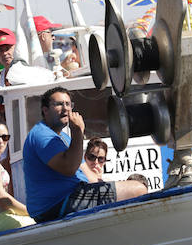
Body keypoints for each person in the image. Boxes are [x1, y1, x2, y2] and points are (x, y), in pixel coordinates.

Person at [23, 87, 147, 222]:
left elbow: (86, 173)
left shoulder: (63, 137)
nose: (65, 109)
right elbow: (69, 169)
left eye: (68, 104)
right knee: (138, 190)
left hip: (69, 197)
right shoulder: (42, 135)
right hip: (58, 204)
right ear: (45, 110)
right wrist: (78, 131)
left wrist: (107, 183)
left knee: (135, 185)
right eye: (59, 104)